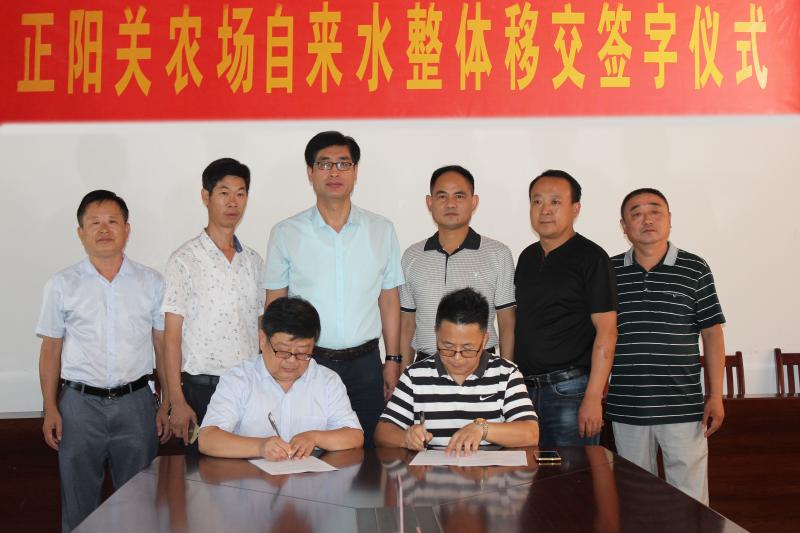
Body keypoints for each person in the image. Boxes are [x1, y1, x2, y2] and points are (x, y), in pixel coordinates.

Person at [36, 190, 170, 532]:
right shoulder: (62, 284)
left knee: (140, 507)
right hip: (79, 406)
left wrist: (168, 401)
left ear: (127, 229)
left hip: (136, 404)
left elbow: (162, 345)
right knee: (79, 508)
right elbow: (51, 349)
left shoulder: (151, 282)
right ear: (81, 232)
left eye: (113, 221)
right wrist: (50, 408)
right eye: (94, 223)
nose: (104, 229)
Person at [263, 131, 404, 447]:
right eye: (325, 164)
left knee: (369, 451)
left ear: (355, 171)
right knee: (308, 451)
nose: (334, 172)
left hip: (366, 364)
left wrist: (393, 359)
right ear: (310, 172)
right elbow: (274, 304)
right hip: (307, 363)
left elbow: (389, 299)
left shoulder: (381, 230)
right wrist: (273, 362)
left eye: (343, 163)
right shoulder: (286, 233)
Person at [606, 188, 726, 504]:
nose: (647, 219)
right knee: (635, 498)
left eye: (655, 211)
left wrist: (715, 396)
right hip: (627, 404)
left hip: (683, 405)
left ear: (670, 219)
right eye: (636, 213)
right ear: (624, 226)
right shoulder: (609, 271)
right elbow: (599, 336)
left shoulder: (695, 268)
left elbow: (712, 334)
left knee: (690, 499)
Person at [162, 158, 264, 448]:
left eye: (240, 193)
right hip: (201, 390)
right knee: (202, 472)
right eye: (224, 193)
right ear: (205, 196)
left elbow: (261, 329)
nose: (233, 202)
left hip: (248, 386)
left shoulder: (253, 261)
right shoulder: (184, 260)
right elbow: (171, 338)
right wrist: (176, 400)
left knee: (251, 468)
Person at [514, 170, 617, 447]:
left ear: (575, 208)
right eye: (537, 201)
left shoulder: (592, 257)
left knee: (574, 473)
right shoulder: (527, 257)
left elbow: (607, 331)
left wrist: (593, 397)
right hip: (525, 391)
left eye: (555, 202)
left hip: (570, 392)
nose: (545, 209)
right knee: (528, 472)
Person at [375, 288, 538, 452]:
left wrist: (483, 429)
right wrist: (405, 438)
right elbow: (382, 433)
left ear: (484, 340)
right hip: (431, 468)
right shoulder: (414, 376)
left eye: (467, 349)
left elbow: (531, 433)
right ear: (436, 334)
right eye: (448, 347)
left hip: (489, 468)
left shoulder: (506, 374)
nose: (457, 358)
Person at [199, 297, 363, 459]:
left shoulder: (327, 381)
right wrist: (260, 447)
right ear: (262, 340)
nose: (292, 361)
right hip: (249, 474)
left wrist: (315, 437)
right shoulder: (239, 379)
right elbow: (207, 439)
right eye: (283, 351)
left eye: (302, 352)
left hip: (310, 475)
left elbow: (354, 436)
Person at [399, 165, 516, 365]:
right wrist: (404, 373)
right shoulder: (412, 256)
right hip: (426, 367)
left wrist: (506, 374)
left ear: (474, 202)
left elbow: (507, 322)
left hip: (482, 366)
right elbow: (407, 323)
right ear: (429, 202)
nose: (450, 204)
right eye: (442, 196)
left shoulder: (498, 253)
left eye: (459, 196)